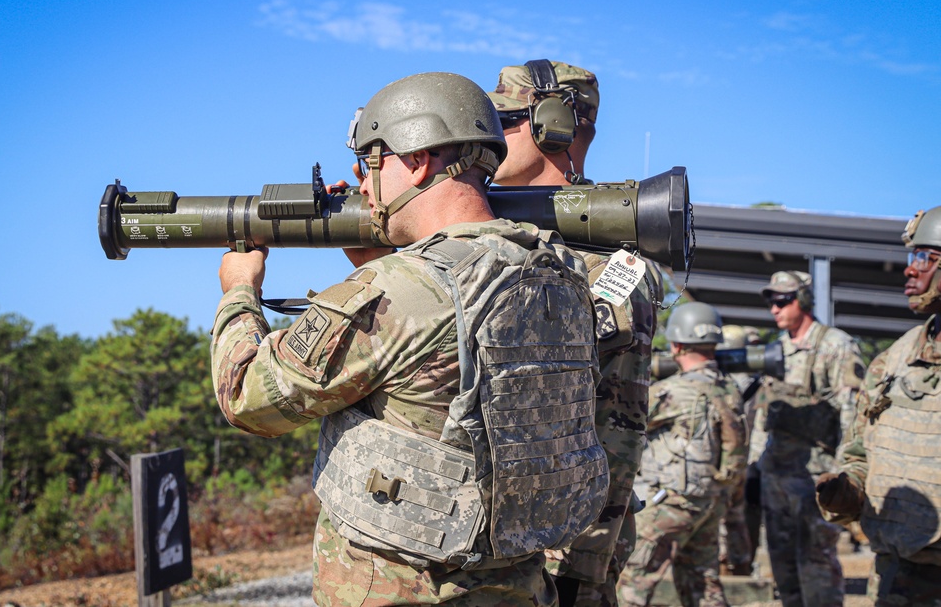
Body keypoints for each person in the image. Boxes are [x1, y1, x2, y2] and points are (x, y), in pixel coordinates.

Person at [210, 72, 610, 607]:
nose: (364, 185)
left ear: (417, 160)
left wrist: (239, 291)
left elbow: (250, 399)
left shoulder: (400, 291)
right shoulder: (558, 273)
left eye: (372, 163)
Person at [488, 59, 662, 607]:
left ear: (553, 125)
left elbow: (614, 422)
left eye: (506, 120)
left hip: (555, 557)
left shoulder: (607, 262)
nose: (485, 136)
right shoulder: (516, 238)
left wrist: (577, 573)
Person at [816, 205, 941, 607]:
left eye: (925, 258)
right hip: (896, 575)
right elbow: (860, 454)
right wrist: (844, 491)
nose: (911, 269)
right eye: (912, 256)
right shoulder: (894, 360)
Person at [617, 301, 747, 607]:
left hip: (672, 501)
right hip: (711, 502)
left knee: (633, 577)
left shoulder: (674, 392)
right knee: (702, 582)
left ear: (676, 344)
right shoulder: (729, 388)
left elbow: (627, 417)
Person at [756, 270, 866, 607]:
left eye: (782, 301)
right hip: (776, 473)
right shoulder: (775, 351)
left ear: (802, 301)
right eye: (771, 302)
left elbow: (852, 414)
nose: (774, 309)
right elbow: (763, 415)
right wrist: (754, 465)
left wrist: (846, 472)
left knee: (816, 561)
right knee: (782, 563)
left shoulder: (836, 345)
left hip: (817, 476)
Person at [715, 325, 764, 576]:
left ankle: (731, 566)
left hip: (733, 463)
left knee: (730, 519)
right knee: (738, 520)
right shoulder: (756, 382)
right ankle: (739, 565)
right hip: (745, 463)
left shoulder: (741, 385)